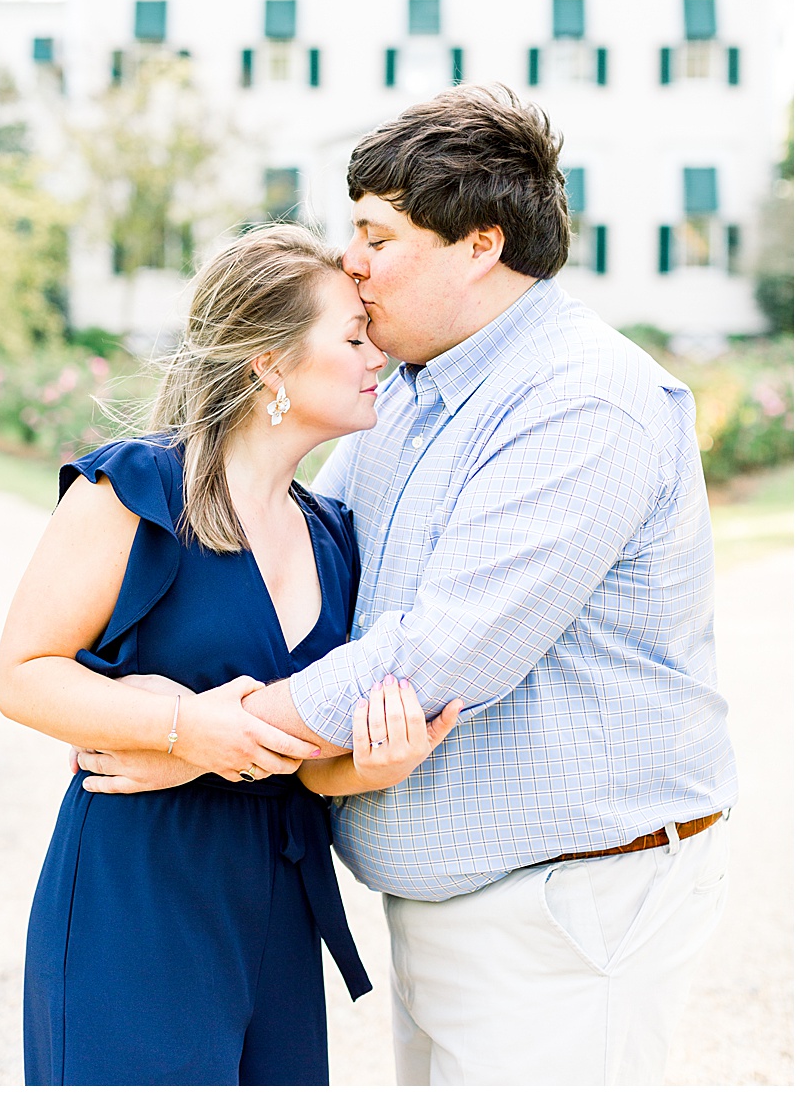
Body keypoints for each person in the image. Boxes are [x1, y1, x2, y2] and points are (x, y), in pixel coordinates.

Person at [77, 85, 737, 1085]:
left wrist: (203, 740)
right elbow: (317, 581)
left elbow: (434, 655)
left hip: (567, 911)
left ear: (479, 245)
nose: (349, 260)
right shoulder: (417, 395)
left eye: (376, 235)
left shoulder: (585, 402)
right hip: (461, 909)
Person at [0, 225, 465, 1085]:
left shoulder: (334, 537)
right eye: (353, 338)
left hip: (280, 902)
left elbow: (308, 766)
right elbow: (21, 677)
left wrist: (372, 767)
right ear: (270, 364)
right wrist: (181, 727)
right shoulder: (136, 490)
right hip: (138, 894)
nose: (378, 357)